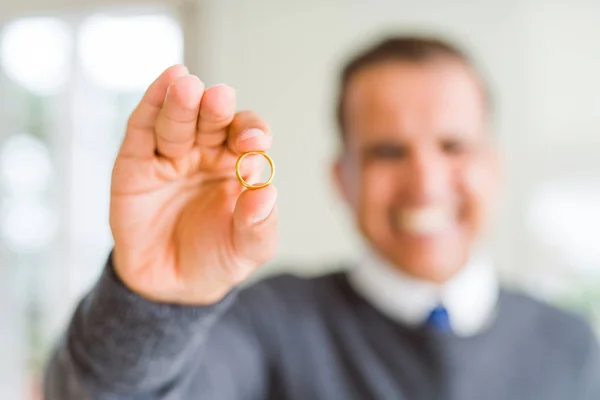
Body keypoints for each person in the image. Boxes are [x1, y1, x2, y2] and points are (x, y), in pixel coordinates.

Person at [43, 36, 600, 399]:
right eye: (387, 151)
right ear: (342, 177)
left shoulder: (571, 344)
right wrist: (153, 303)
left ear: (493, 167)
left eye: (453, 146)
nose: (426, 181)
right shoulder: (267, 325)